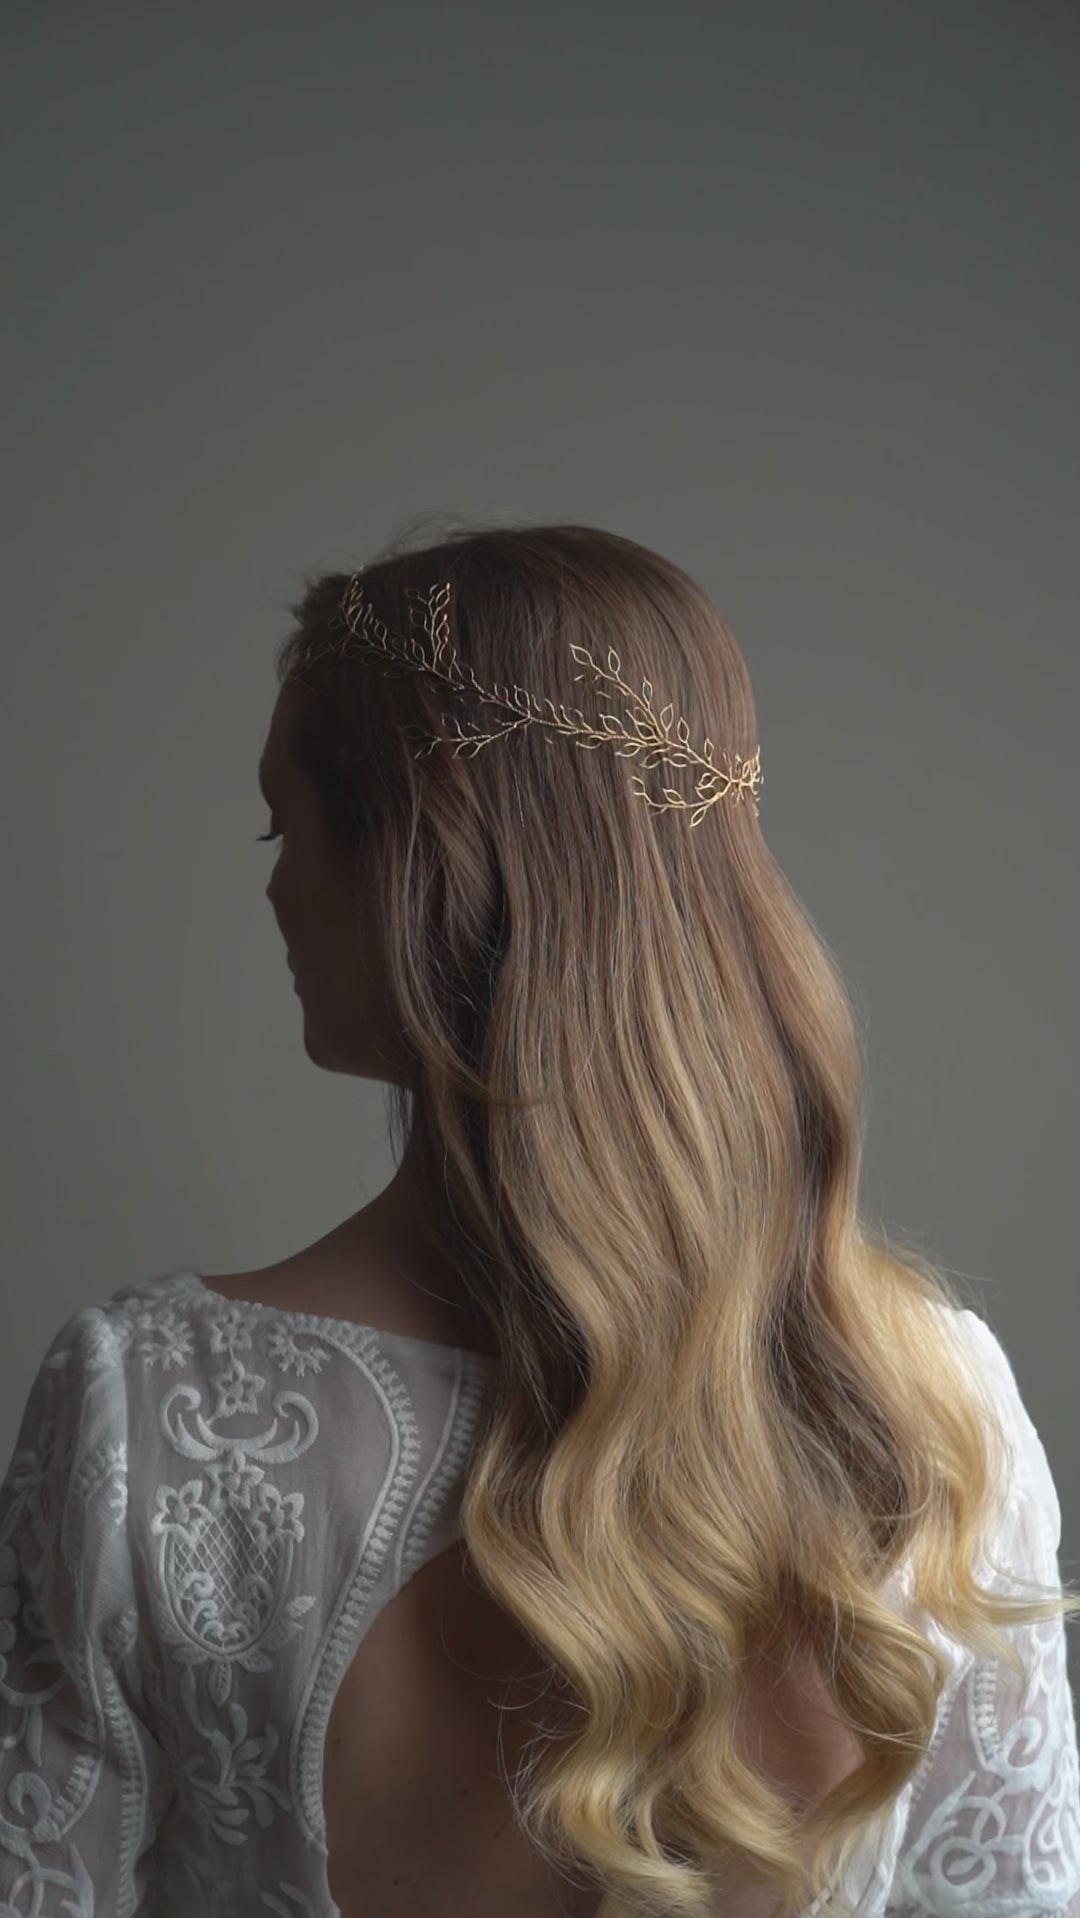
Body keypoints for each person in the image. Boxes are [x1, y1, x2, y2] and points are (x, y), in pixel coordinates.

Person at [2, 518, 1078, 1918]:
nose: (271, 883)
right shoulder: (937, 1411)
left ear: (418, 866)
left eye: (288, 823)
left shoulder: (147, 1413)